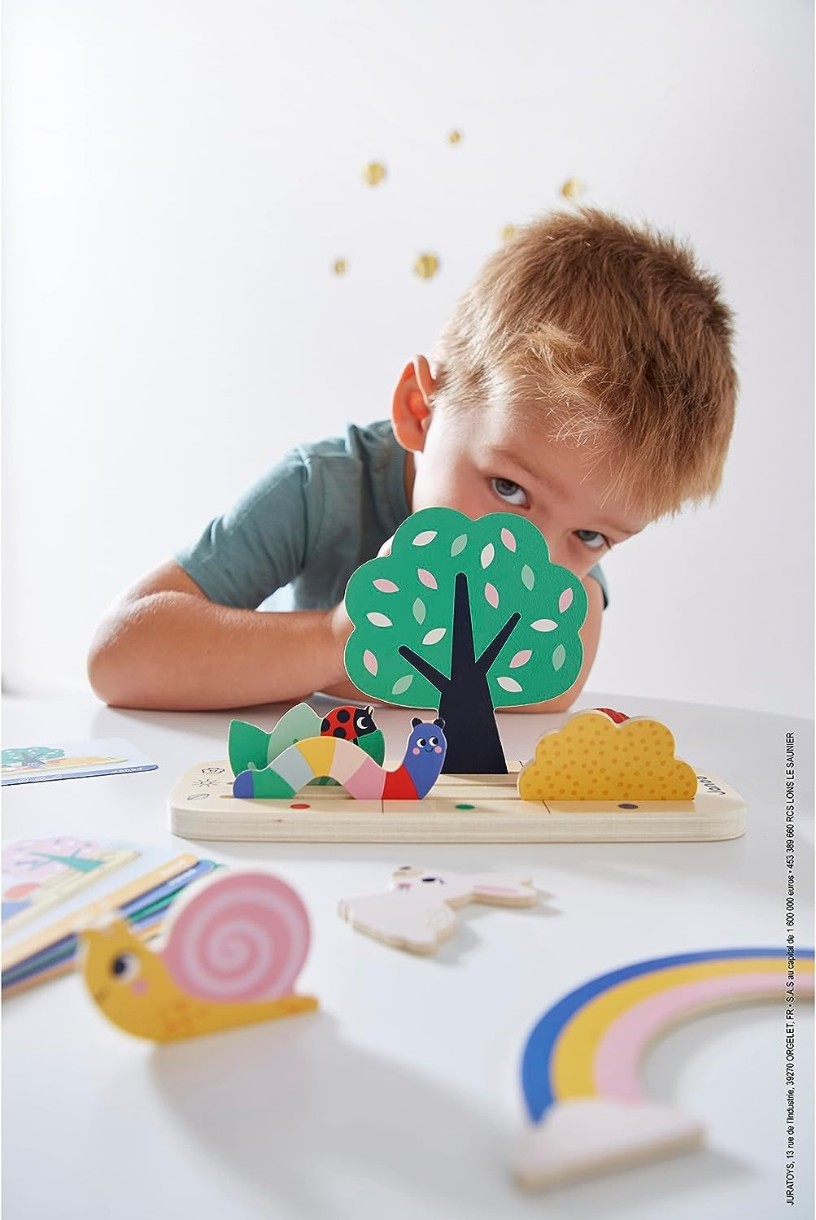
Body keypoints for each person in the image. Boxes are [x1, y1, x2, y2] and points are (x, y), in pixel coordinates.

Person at [87, 207, 737, 712]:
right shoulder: (322, 487)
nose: (527, 558)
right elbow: (119, 659)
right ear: (420, 410)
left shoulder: (562, 554)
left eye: (591, 537)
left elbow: (553, 690)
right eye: (509, 490)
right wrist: (338, 641)